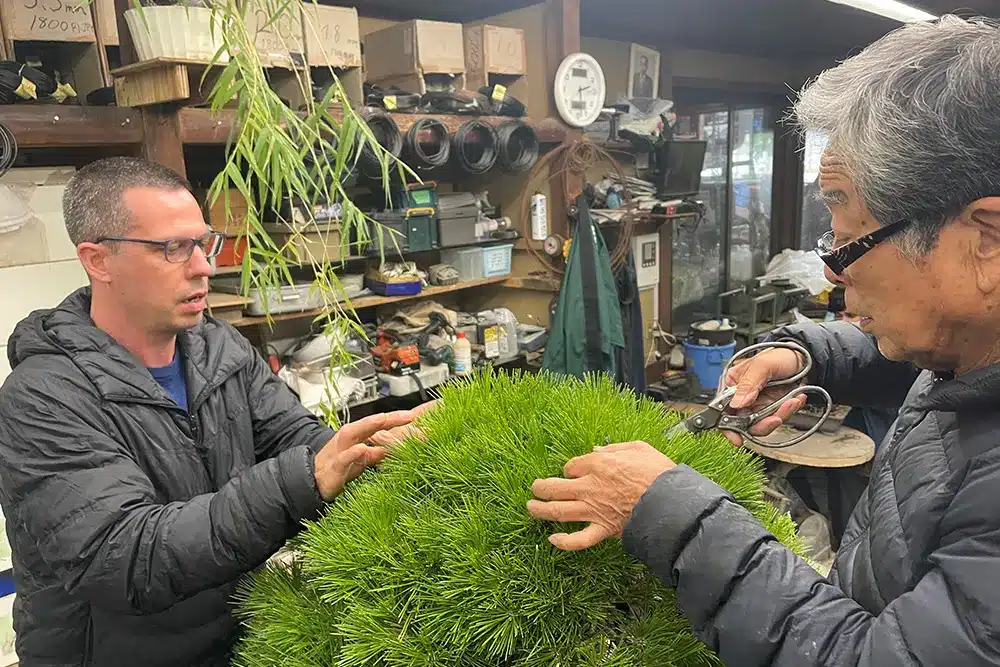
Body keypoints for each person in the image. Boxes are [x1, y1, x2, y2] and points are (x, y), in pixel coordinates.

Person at [528, 15, 1000, 666]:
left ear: (986, 241)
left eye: (852, 241)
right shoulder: (970, 348)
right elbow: (942, 370)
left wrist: (680, 517)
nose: (832, 270)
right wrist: (806, 356)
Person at [0, 157, 423, 667]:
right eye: (173, 248)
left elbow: (296, 439)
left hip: (237, 637)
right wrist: (307, 478)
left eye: (204, 243)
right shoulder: (42, 397)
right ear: (98, 260)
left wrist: (371, 449)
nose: (205, 266)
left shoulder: (218, 349)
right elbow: (127, 559)